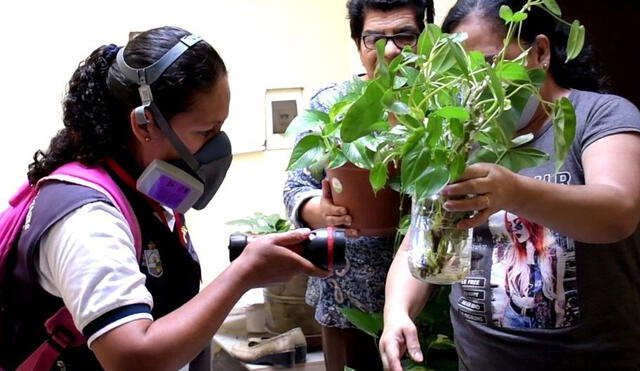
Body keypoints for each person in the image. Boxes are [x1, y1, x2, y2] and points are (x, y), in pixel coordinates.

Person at [0, 26, 327, 371]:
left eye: (220, 128)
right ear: (144, 126)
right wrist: (242, 275)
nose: (218, 147)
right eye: (205, 132)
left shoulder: (142, 193)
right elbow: (131, 358)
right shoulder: (89, 221)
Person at [378, 0, 640, 370]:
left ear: (541, 52)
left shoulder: (600, 116)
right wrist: (397, 311)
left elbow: (619, 212)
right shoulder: (461, 135)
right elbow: (421, 241)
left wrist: (514, 192)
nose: (477, 87)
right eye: (461, 74)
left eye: (490, 65)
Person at [283, 1, 434, 370]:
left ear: (425, 38)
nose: (391, 49)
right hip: (343, 295)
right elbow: (295, 184)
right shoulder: (334, 104)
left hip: (426, 294)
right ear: (358, 44)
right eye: (375, 39)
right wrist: (318, 210)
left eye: (405, 36)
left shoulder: (440, 105)